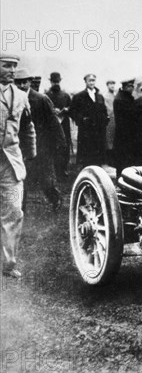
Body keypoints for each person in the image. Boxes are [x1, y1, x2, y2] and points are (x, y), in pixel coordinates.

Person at [0, 54, 36, 279]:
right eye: (7, 66)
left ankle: (8, 264)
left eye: (14, 66)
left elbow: (28, 127)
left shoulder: (22, 96)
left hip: (11, 163)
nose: (12, 70)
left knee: (14, 212)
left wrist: (31, 153)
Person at [14, 69, 66, 212]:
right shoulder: (12, 99)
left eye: (25, 82)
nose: (22, 85)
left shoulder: (41, 99)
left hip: (42, 145)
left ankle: (55, 199)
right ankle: (20, 209)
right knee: (20, 179)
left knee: (46, 179)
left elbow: (53, 122)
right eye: (18, 82)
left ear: (30, 82)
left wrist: (60, 143)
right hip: (20, 145)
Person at [69, 74, 109, 167]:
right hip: (86, 131)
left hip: (98, 131)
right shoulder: (79, 96)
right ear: (85, 82)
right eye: (89, 81)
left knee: (98, 157)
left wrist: (105, 118)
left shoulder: (99, 96)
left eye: (93, 80)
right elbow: (72, 111)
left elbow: (104, 110)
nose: (92, 83)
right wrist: (81, 119)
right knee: (87, 156)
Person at [113, 78, 142, 177]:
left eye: (132, 86)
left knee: (126, 158)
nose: (132, 88)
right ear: (124, 87)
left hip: (127, 134)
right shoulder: (121, 99)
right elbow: (130, 115)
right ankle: (121, 178)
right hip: (124, 135)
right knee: (123, 159)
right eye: (130, 86)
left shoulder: (126, 97)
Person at [46, 72, 72, 178]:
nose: (55, 83)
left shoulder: (65, 95)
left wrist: (66, 110)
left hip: (64, 125)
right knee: (53, 148)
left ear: (60, 81)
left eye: (57, 81)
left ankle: (63, 170)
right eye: (54, 81)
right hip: (51, 127)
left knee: (65, 147)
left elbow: (72, 108)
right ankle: (55, 171)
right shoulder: (46, 96)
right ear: (50, 82)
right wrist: (52, 111)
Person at [105, 80, 117, 166]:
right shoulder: (105, 96)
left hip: (116, 119)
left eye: (113, 84)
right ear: (107, 85)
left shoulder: (115, 95)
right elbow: (108, 109)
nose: (112, 86)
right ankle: (109, 160)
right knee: (109, 140)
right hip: (110, 120)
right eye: (110, 84)